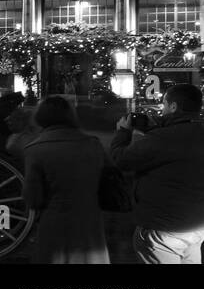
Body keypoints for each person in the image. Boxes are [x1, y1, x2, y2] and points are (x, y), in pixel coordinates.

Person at [111, 83, 204, 263]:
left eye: (164, 104)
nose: (163, 108)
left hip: (163, 228)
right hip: (196, 225)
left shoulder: (163, 138)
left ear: (174, 106)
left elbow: (121, 159)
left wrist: (123, 133)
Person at [21, 95, 110, 264]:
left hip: (55, 220)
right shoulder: (93, 144)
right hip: (90, 219)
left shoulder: (35, 149)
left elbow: (33, 197)